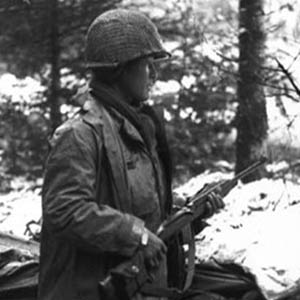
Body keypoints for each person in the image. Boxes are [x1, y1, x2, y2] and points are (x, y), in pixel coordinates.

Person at [38, 9, 224, 300]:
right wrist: (135, 236)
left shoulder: (134, 130)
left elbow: (146, 212)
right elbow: (65, 210)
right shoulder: (80, 134)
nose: (155, 74)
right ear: (120, 68)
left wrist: (191, 213)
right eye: (148, 64)